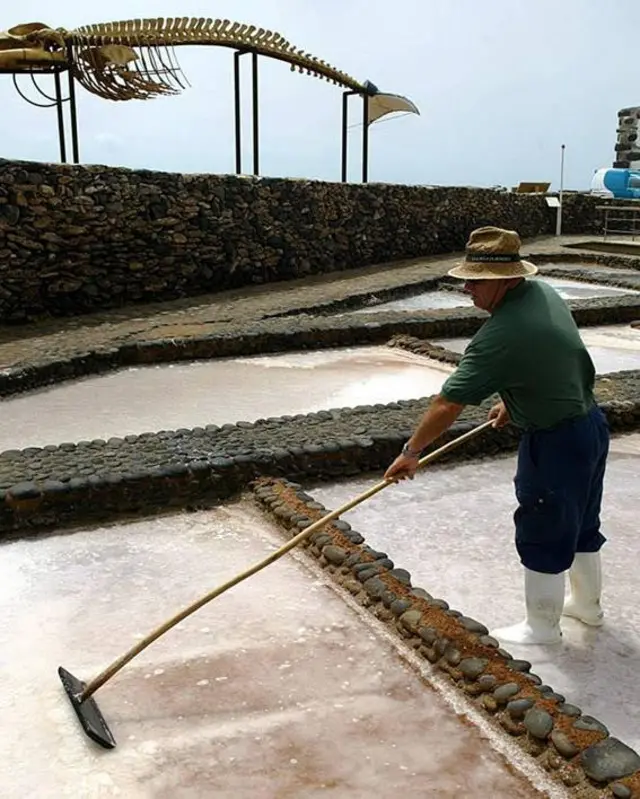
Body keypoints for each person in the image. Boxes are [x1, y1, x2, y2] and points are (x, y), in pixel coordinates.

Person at [383, 226, 610, 646]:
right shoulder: (540, 293)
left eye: (476, 280)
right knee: (580, 522)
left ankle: (541, 627)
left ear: (506, 280)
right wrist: (512, 400)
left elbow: (447, 404)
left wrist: (411, 452)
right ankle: (587, 607)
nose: (467, 288)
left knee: (542, 524)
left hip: (556, 441)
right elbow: (555, 355)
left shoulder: (501, 336)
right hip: (589, 426)